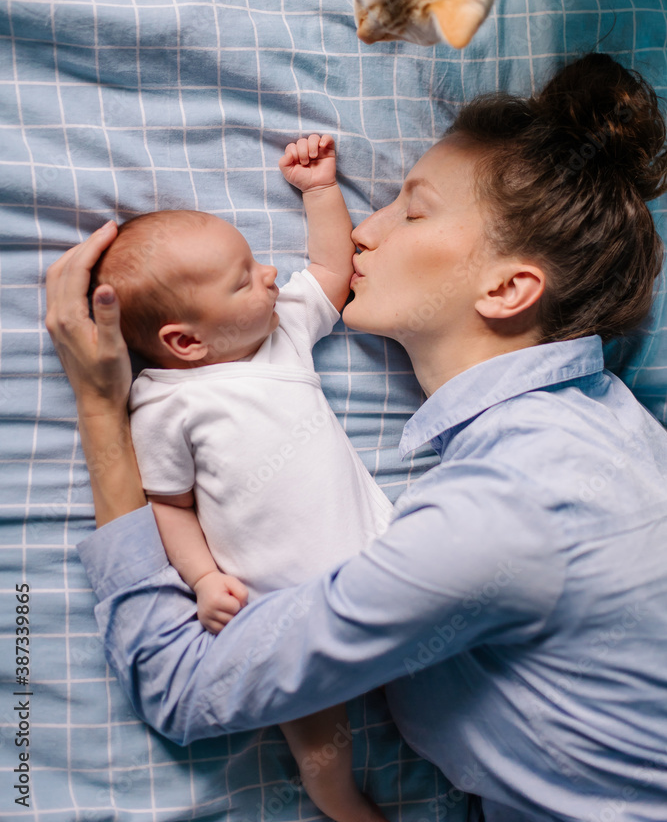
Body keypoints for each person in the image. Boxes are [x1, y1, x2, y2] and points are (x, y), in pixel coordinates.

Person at [46, 53, 667, 822]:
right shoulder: (615, 432)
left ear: (506, 289)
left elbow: (179, 685)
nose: (365, 230)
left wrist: (101, 411)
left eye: (411, 212)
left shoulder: (508, 507)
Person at [86, 135, 393, 822]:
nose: (269, 273)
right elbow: (168, 505)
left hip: (379, 558)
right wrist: (200, 578)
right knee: (310, 716)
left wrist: (318, 192)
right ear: (185, 341)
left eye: (254, 261)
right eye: (243, 275)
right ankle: (337, 799)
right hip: (279, 606)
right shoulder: (166, 404)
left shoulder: (282, 327)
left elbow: (329, 268)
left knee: (437, 662)